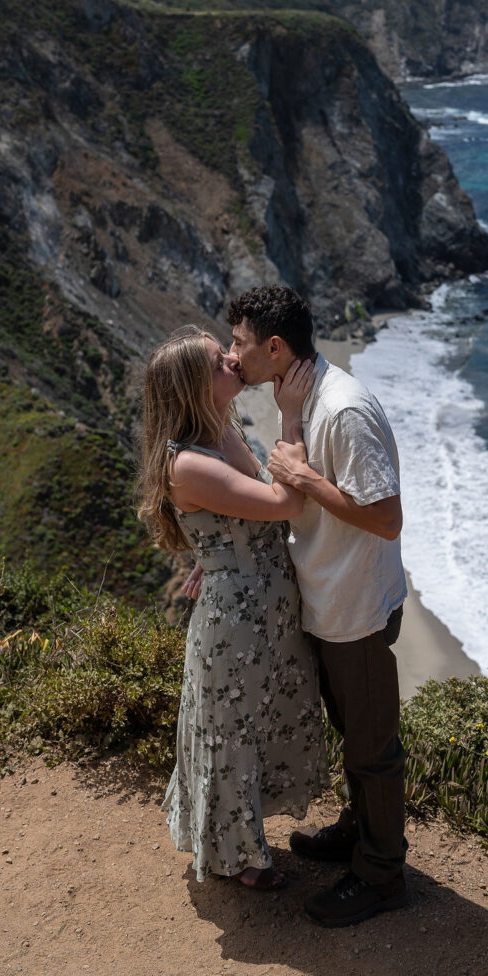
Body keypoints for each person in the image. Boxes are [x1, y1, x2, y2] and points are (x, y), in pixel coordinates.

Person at [227, 285, 408, 927]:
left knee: (371, 748)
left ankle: (382, 875)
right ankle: (360, 834)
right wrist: (290, 424)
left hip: (355, 606)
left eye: (240, 344)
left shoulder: (344, 410)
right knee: (353, 735)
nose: (232, 356)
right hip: (331, 601)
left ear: (274, 348)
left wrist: (305, 480)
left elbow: (387, 519)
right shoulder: (304, 398)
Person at [137, 326, 328, 890]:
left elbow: (236, 510)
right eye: (217, 359)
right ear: (195, 385)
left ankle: (245, 840)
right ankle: (238, 860)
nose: (230, 358)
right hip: (237, 620)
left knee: (260, 720)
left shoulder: (223, 426)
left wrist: (211, 550)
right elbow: (284, 499)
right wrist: (290, 415)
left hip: (265, 604)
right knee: (232, 733)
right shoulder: (188, 463)